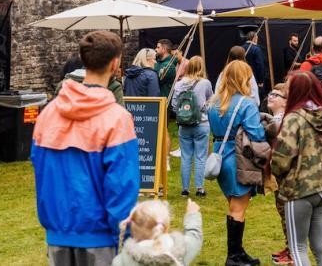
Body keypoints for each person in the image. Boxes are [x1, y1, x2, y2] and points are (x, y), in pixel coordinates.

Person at [32, 31, 139, 264]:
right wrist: (126, 235)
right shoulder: (117, 119)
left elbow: (40, 173)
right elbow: (122, 187)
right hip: (98, 237)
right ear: (115, 63)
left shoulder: (48, 114)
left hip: (58, 232)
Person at [270, 71, 322, 266]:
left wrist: (275, 173)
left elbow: (281, 159)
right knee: (320, 247)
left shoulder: (293, 119)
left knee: (298, 248)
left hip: (299, 190)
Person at [208, 60, 267, 266]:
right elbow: (257, 133)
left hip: (219, 156)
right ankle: (233, 256)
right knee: (238, 209)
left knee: (233, 206)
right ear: (244, 78)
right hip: (238, 158)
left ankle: (238, 252)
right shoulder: (246, 103)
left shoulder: (214, 103)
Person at [170, 56, 214, 198]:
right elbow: (211, 102)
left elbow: (174, 105)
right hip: (201, 123)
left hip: (184, 125)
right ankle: (199, 188)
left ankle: (185, 189)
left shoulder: (179, 84)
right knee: (200, 157)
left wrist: (184, 115)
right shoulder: (205, 83)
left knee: (186, 156)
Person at [113, 198, 203, 266]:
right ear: (165, 226)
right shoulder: (179, 251)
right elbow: (194, 236)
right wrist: (192, 213)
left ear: (132, 228)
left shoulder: (121, 260)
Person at [264, 83, 292, 266]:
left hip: (284, 173)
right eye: (270, 93)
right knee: (282, 210)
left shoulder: (283, 119)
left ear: (285, 102)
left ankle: (292, 251)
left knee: (286, 212)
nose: (271, 96)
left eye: (276, 95)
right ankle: (289, 247)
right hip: (276, 171)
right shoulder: (275, 118)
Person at [242, 32, 267, 101]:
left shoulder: (241, 48)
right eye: (256, 38)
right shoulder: (256, 49)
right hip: (255, 78)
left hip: (243, 77)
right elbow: (260, 65)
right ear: (254, 38)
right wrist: (260, 81)